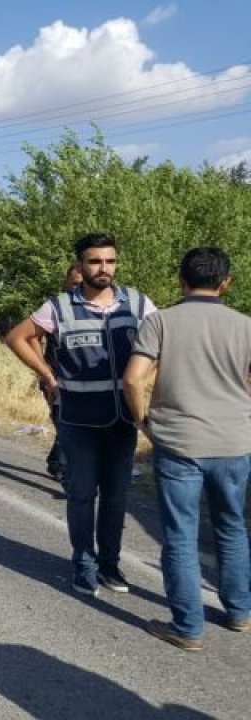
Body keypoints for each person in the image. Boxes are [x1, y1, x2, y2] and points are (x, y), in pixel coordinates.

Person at [4, 232, 156, 598]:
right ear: (81, 265)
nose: (104, 268)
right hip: (77, 420)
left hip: (122, 420)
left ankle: (110, 565)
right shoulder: (59, 307)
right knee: (82, 495)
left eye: (110, 261)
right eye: (95, 261)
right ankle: (84, 564)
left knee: (116, 497)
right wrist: (47, 374)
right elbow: (16, 338)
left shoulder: (138, 303)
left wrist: (146, 379)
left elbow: (164, 342)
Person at [122, 247, 251, 651]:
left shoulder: (160, 322)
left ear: (181, 280)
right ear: (226, 283)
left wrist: (142, 420)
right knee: (232, 526)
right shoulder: (246, 326)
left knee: (180, 535)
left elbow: (133, 379)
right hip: (234, 442)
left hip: (179, 442)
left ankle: (188, 627)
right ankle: (240, 612)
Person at [35, 264, 84, 485]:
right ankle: (65, 471)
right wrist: (43, 369)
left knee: (73, 424)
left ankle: (57, 460)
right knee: (63, 421)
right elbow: (30, 337)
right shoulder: (55, 308)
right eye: (74, 284)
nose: (78, 288)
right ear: (65, 283)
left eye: (82, 284)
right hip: (55, 376)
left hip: (82, 379)